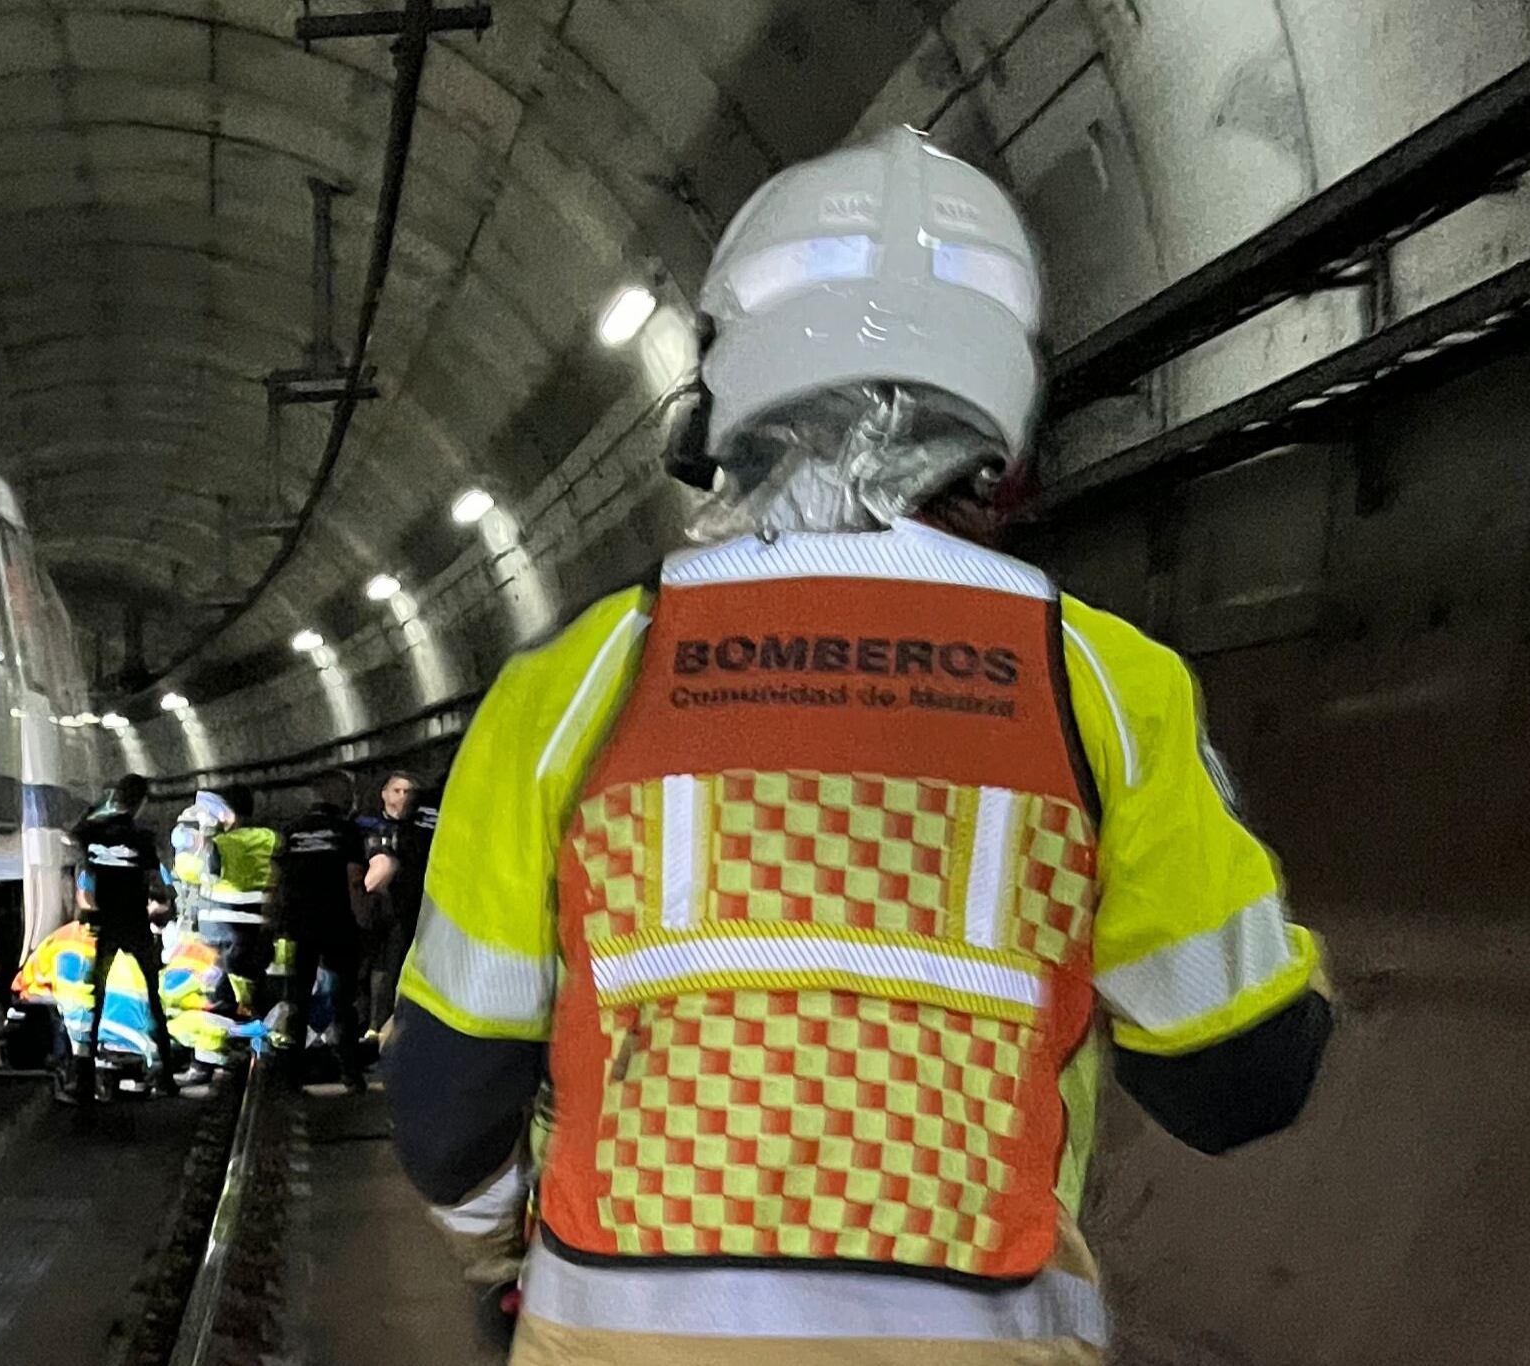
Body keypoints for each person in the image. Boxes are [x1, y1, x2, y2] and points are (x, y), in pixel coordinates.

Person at [386, 126, 1331, 1364]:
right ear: (1003, 411)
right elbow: (1239, 1076)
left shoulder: (575, 687)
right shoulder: (1101, 688)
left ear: (725, 386)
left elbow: (451, 1095)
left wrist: (504, 1244)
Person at [69, 774, 179, 1100]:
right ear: (142, 802)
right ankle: (167, 1077)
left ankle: (84, 1081)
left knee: (95, 1001)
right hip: (135, 925)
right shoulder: (142, 838)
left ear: (115, 798)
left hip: (105, 924)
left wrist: (99, 808)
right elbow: (156, 884)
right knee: (154, 1000)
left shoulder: (92, 832)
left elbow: (73, 837)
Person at [274, 770, 371, 1091]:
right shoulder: (347, 831)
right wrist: (363, 923)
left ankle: (292, 1077)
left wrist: (273, 924)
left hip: (299, 926)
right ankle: (351, 1075)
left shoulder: (290, 832)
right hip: (338, 923)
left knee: (297, 1001)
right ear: (340, 795)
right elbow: (355, 880)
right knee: (344, 1002)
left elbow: (276, 882)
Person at [359, 770, 439, 1040]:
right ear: (384, 794)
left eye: (409, 792)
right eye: (397, 791)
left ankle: (387, 1025)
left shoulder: (422, 830)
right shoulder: (366, 826)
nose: (403, 797)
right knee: (374, 968)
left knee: (398, 966)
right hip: (375, 910)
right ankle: (372, 1025)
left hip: (414, 908)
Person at [197, 784, 277, 1016]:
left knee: (219, 996)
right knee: (253, 991)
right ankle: (256, 1045)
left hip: (215, 929)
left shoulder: (218, 844)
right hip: (252, 929)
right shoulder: (270, 838)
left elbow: (206, 875)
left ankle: (228, 1041)